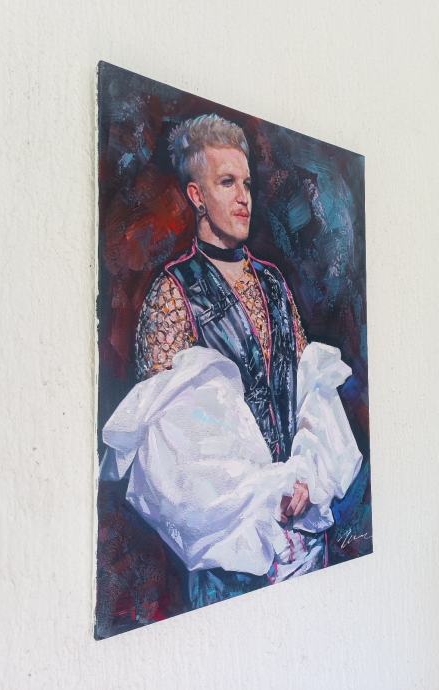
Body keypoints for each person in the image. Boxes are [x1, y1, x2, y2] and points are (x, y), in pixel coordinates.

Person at [133, 114, 321, 605]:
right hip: (229, 558)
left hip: (303, 539)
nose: (244, 198)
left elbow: (311, 392)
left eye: (247, 184)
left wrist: (305, 473)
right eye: (227, 183)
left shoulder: (274, 284)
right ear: (197, 196)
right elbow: (170, 452)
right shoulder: (172, 295)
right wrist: (261, 494)